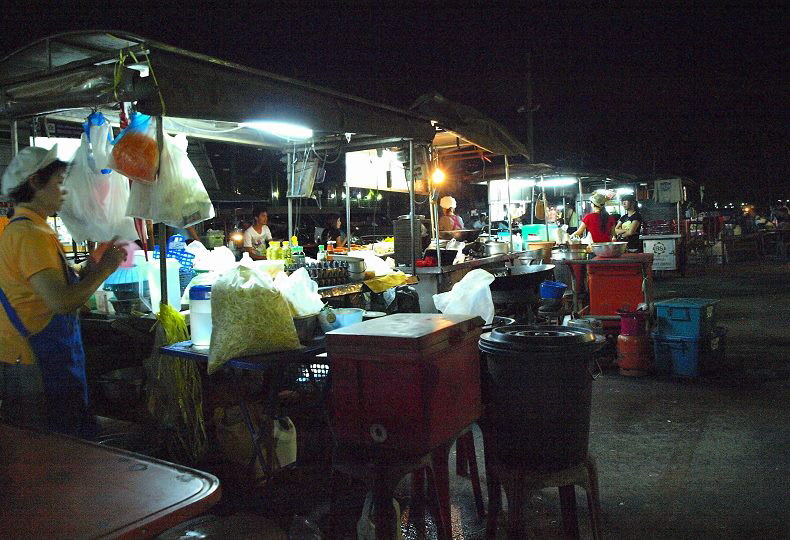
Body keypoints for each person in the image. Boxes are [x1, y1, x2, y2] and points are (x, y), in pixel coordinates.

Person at [0, 146, 126, 437]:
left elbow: (49, 288)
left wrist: (93, 267)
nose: (64, 190)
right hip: (36, 365)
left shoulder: (30, 228)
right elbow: (61, 302)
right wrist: (105, 270)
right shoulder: (29, 235)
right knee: (52, 452)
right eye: (58, 182)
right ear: (34, 182)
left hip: (42, 357)